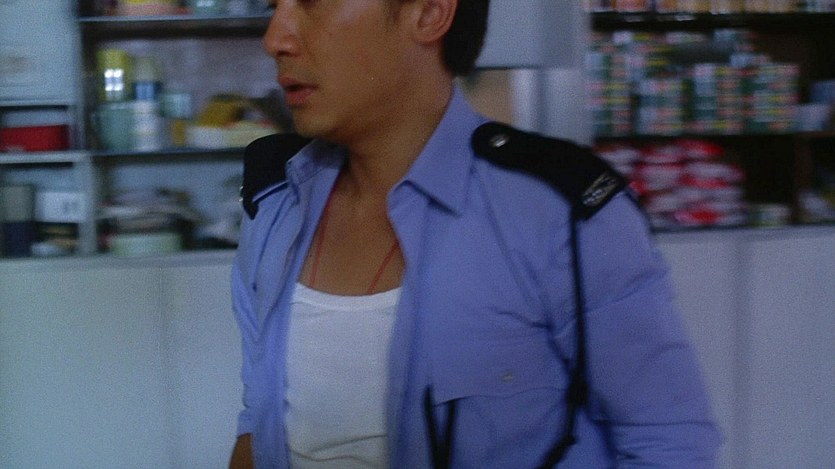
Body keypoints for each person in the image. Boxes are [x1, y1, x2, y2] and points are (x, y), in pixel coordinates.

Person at [229, 0, 722, 467]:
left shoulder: (555, 212)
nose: (276, 39)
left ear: (429, 14)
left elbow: (668, 441)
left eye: (312, 2)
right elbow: (259, 420)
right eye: (274, 6)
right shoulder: (275, 204)